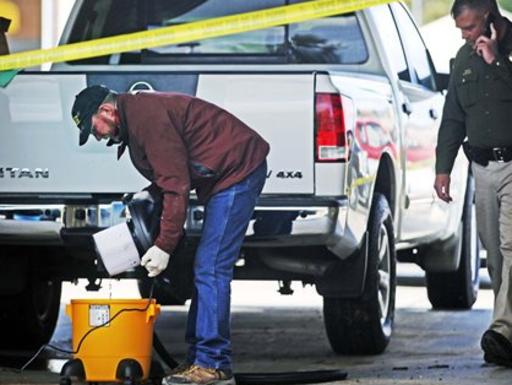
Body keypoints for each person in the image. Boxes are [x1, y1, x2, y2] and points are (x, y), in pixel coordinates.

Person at [71, 85, 269, 385]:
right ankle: (198, 360)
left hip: (237, 172)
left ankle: (213, 365)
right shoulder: (136, 119)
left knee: (211, 267)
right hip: (223, 175)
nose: (97, 135)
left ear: (107, 111)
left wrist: (164, 245)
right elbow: (171, 174)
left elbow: (176, 185)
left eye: (93, 127)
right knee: (205, 266)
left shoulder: (146, 120)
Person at [435, 0, 512, 368]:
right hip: (481, 168)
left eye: (469, 27)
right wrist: (443, 169)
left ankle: (501, 329)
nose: (466, 36)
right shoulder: (463, 58)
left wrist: (496, 61)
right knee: (494, 255)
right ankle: (508, 332)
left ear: (490, 17)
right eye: (461, 30)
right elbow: (453, 117)